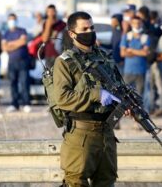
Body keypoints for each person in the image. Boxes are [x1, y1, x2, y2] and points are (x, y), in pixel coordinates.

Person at [53, 11, 124, 186]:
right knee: (76, 182)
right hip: (81, 134)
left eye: (92, 27)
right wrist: (96, 94)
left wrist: (125, 103)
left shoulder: (104, 57)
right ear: (72, 34)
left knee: (106, 182)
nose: (90, 31)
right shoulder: (64, 62)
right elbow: (62, 98)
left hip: (106, 132)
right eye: (84, 29)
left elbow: (118, 86)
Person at [2, 13, 31, 113]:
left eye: (13, 19)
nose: (12, 21)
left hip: (23, 61)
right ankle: (14, 104)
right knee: (13, 83)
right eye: (10, 19)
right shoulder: (6, 33)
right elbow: (4, 47)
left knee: (24, 83)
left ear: (16, 20)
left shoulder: (22, 30)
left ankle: (26, 103)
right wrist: (17, 43)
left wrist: (11, 44)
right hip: (12, 62)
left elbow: (23, 42)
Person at [120, 16, 150, 96]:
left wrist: (131, 50)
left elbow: (145, 53)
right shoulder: (126, 37)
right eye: (134, 23)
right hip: (128, 71)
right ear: (131, 24)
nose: (137, 25)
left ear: (142, 24)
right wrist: (139, 52)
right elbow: (123, 53)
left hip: (141, 71)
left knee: (140, 96)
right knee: (126, 96)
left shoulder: (145, 37)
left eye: (139, 23)